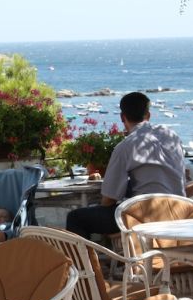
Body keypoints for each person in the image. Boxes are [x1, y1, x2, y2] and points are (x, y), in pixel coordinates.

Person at [66, 91, 185, 240]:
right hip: (181, 212)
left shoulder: (126, 146)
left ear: (123, 117)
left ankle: (85, 263)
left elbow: (109, 199)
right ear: (148, 115)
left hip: (146, 217)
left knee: (76, 218)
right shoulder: (172, 137)